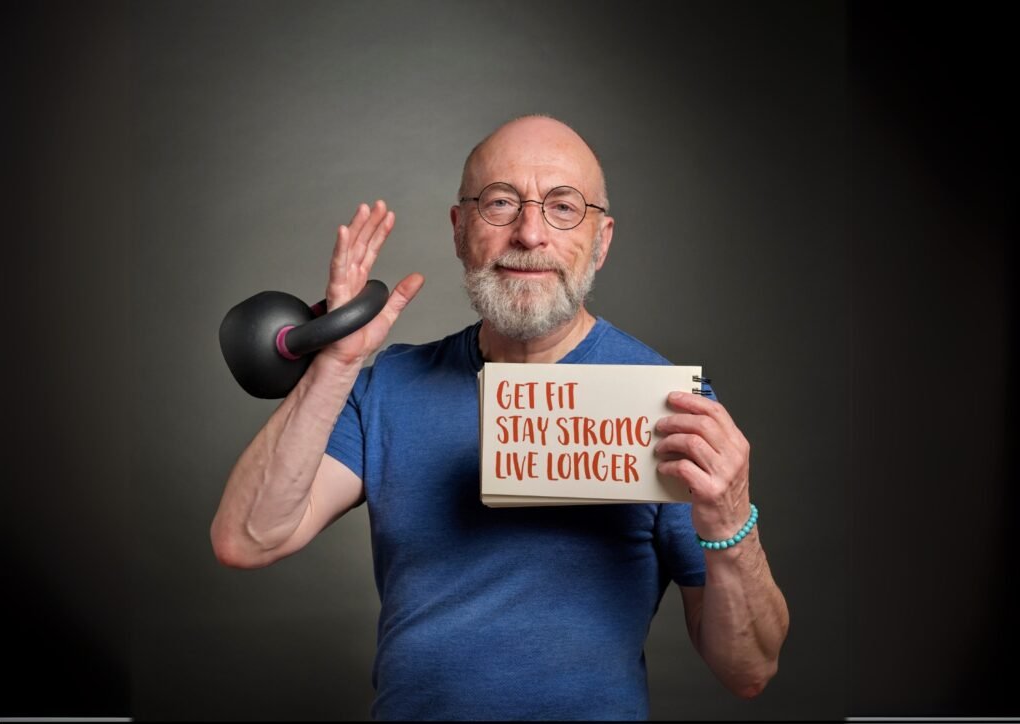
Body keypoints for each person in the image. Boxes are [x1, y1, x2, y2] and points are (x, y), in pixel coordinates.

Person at [211, 114, 790, 720]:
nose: (530, 234)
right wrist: (333, 368)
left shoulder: (672, 408)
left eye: (563, 207)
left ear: (602, 239)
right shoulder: (390, 390)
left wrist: (730, 520)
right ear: (460, 230)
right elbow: (247, 538)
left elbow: (748, 671)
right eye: (500, 204)